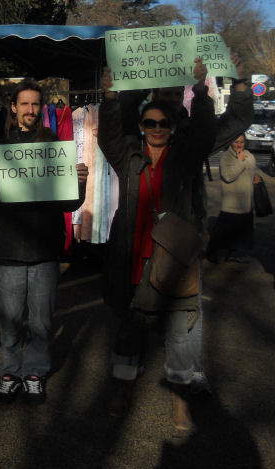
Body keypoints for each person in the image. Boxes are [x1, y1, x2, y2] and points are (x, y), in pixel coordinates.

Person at [98, 61, 216, 430]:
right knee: (128, 330)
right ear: (141, 126)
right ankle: (122, 389)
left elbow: (205, 134)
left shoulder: (184, 158)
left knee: (180, 334)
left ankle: (180, 397)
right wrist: (110, 98)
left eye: (164, 123)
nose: (158, 128)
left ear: (173, 126)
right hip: (132, 260)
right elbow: (108, 136)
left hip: (175, 260)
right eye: (150, 123)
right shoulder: (128, 157)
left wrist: (201, 91)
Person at [0, 80, 88, 405]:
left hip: (45, 249)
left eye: (35, 104)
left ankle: (35, 372)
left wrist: (80, 183)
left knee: (41, 321)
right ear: (13, 107)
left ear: (41, 108)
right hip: (8, 250)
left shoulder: (54, 145)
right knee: (9, 321)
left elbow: (69, 203)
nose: (30, 110)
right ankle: (10, 372)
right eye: (24, 104)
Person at [206, 134, 261, 263]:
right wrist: (240, 162)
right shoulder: (226, 157)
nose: (239, 145)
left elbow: (251, 171)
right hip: (232, 203)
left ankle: (236, 253)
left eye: (242, 142)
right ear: (231, 142)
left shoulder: (249, 156)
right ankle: (212, 251)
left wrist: (255, 177)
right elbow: (228, 176)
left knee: (243, 232)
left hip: (246, 202)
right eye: (236, 142)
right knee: (222, 230)